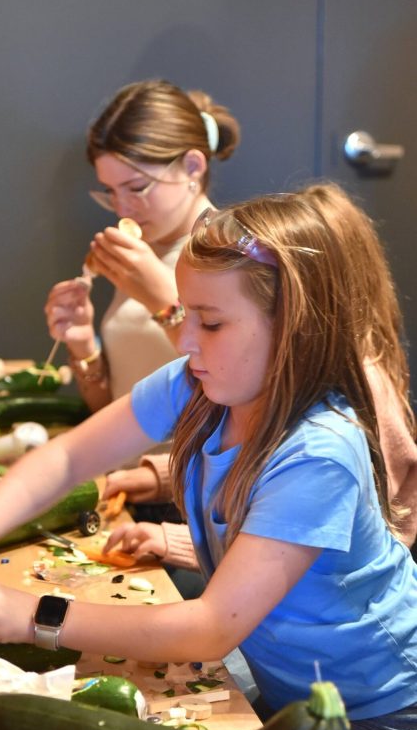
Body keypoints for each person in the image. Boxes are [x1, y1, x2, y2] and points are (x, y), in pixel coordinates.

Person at [0, 182, 417, 730]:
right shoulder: (200, 383)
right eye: (185, 314)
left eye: (211, 323)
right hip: (294, 696)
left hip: (383, 718)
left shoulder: (320, 453)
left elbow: (211, 627)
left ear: (294, 328)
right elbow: (67, 458)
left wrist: (40, 617)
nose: (187, 341)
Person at [103, 181, 417, 570]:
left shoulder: (350, 402)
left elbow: (310, 517)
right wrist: (156, 476)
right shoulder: (277, 381)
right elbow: (258, 455)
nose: (188, 343)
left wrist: (173, 540)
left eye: (213, 323)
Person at [44, 79, 240, 412]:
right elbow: (114, 408)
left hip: (183, 465)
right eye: (111, 191)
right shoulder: (144, 248)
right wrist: (83, 347)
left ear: (193, 166)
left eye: (136, 188)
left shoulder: (232, 255)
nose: (123, 209)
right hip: (120, 462)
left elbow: (242, 392)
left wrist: (164, 303)